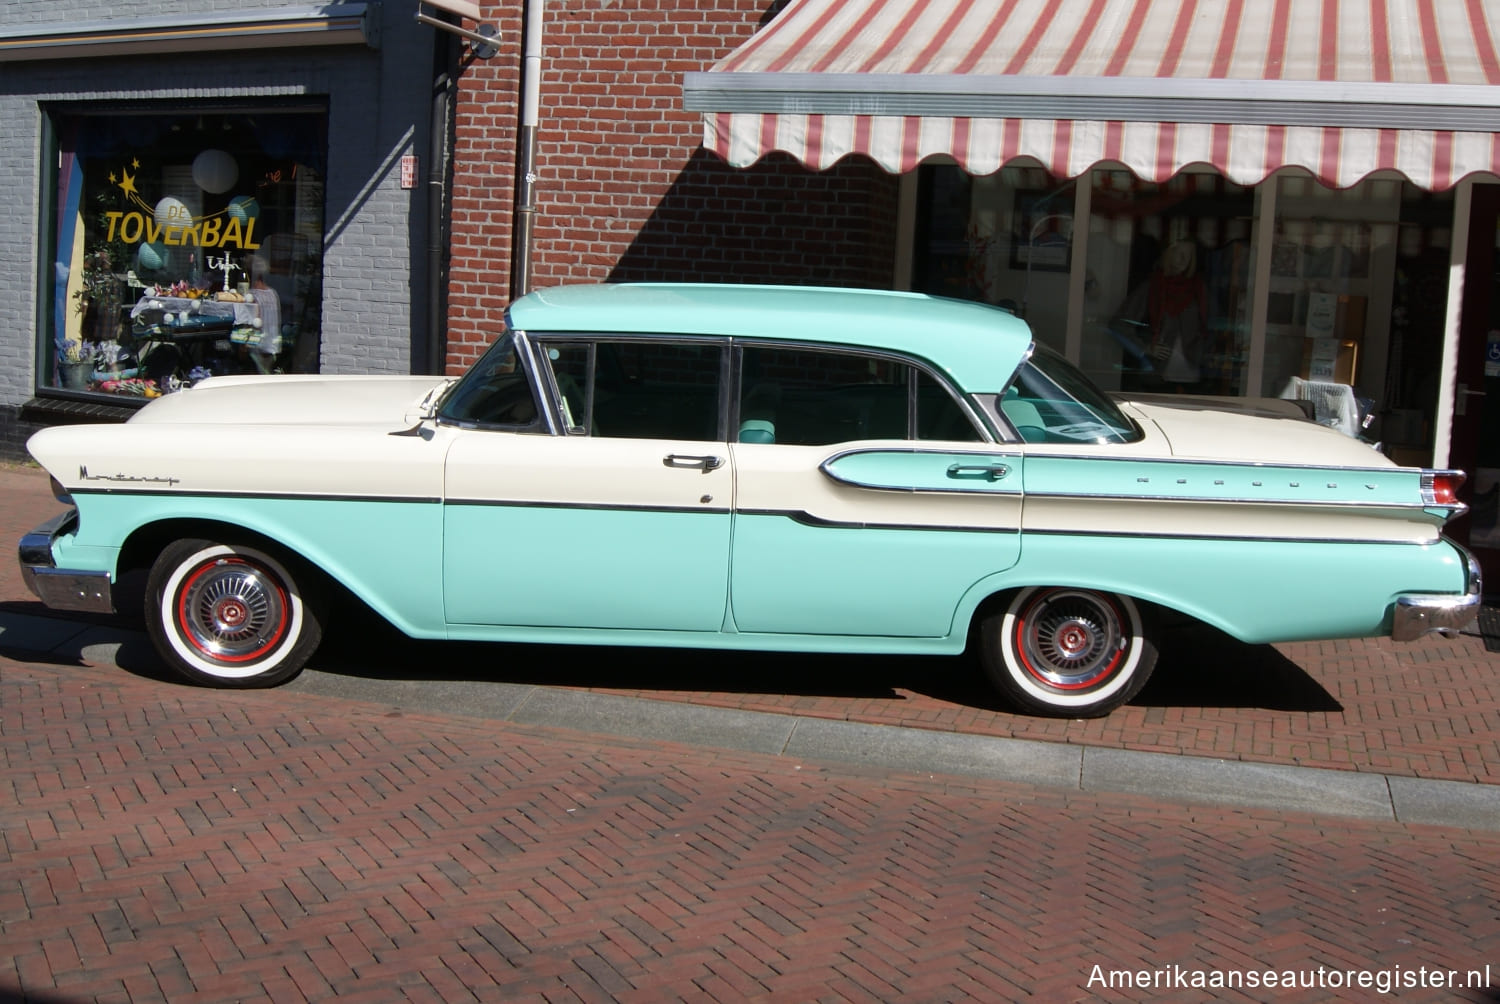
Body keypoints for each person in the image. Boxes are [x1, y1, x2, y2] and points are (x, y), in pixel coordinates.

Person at [1147, 239, 1206, 390]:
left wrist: (1201, 350)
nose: (1184, 259)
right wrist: (1146, 347)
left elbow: (1211, 325)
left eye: (1189, 255)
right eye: (1179, 253)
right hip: (1158, 374)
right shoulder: (1154, 285)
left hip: (1192, 373)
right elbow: (1120, 324)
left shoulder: (1198, 288)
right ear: (1169, 254)